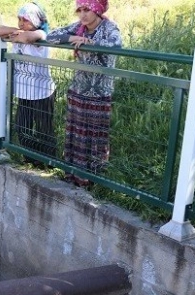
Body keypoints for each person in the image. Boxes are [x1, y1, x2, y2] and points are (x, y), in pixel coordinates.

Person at [46, 0, 121, 186]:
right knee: (76, 135)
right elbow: (50, 36)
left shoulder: (110, 28)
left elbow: (115, 46)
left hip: (99, 94)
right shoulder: (78, 27)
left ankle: (93, 179)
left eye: (86, 9)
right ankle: (73, 175)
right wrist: (73, 39)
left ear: (97, 9)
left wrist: (89, 43)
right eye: (79, 10)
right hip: (78, 91)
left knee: (95, 137)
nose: (82, 14)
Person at [0, 3, 56, 162]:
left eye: (25, 20)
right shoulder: (19, 31)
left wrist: (17, 34)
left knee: (44, 130)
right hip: (25, 93)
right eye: (19, 19)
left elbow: (27, 38)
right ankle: (31, 159)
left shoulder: (41, 33)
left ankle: (48, 162)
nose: (21, 23)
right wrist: (15, 30)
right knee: (22, 128)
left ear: (35, 20)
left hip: (42, 93)